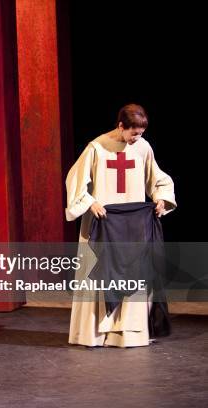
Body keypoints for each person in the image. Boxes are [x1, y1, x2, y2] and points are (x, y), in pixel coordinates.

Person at [65, 103, 176, 347]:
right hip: (103, 222)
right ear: (120, 126)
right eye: (133, 133)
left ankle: (129, 333)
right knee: (100, 275)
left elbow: (156, 178)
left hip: (133, 225)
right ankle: (95, 334)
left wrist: (161, 198)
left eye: (141, 133)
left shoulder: (143, 147)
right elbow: (75, 180)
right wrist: (90, 202)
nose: (138, 137)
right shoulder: (97, 148)